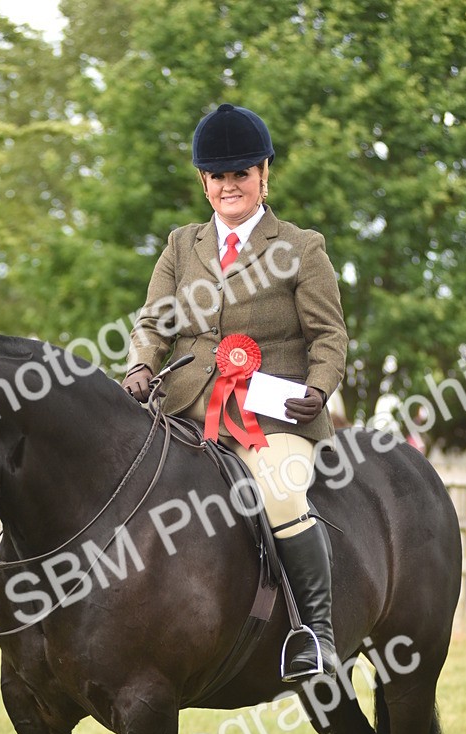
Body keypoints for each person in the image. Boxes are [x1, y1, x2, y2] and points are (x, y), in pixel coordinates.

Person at [123, 103, 348, 680]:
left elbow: (329, 336)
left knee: (277, 495)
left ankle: (314, 635)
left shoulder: (301, 247)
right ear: (204, 182)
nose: (230, 185)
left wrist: (319, 390)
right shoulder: (182, 245)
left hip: (275, 417)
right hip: (187, 409)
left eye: (241, 174)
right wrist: (140, 366)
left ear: (263, 174)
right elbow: (154, 323)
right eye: (219, 176)